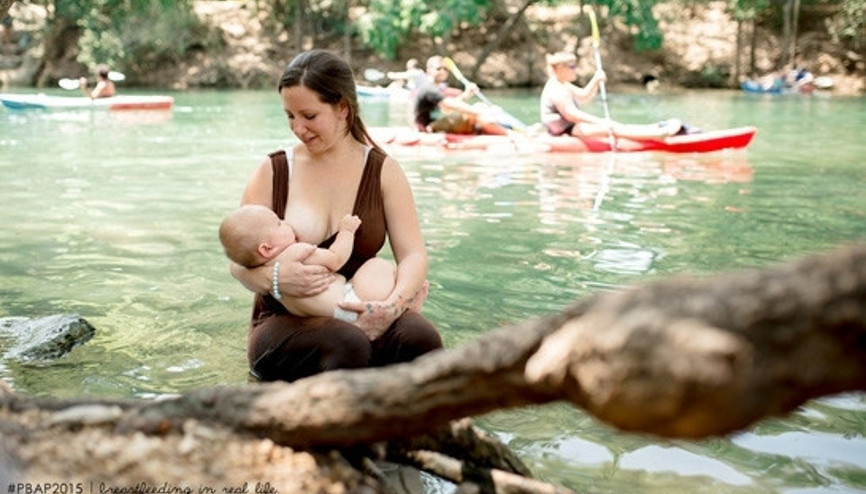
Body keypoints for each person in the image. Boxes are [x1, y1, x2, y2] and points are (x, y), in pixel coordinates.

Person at [229, 49, 442, 382]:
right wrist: (275, 280)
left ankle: (417, 431)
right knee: (348, 344)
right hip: (286, 319)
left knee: (422, 340)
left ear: (343, 108)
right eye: (289, 116)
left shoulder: (383, 171)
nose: (298, 128)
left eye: (309, 116)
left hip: (363, 303)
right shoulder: (273, 170)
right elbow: (238, 263)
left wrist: (392, 308)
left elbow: (413, 254)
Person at [220, 204, 396, 321]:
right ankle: (403, 302)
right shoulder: (295, 253)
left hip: (323, 316)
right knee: (379, 265)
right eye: (279, 223)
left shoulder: (264, 268)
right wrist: (347, 231)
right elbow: (335, 259)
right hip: (349, 304)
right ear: (266, 249)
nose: (286, 222)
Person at [540, 51, 682, 140]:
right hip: (566, 130)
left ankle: (654, 128)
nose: (575, 70)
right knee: (610, 127)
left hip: (572, 127)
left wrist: (596, 80)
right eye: (572, 67)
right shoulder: (556, 89)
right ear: (559, 69)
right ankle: (658, 136)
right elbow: (572, 115)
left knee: (613, 124)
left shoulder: (563, 84)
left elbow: (584, 96)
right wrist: (600, 121)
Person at [412, 55, 510, 135]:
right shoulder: (428, 89)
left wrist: (467, 94)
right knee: (474, 113)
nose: (443, 71)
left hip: (438, 123)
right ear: (428, 70)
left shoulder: (436, 89)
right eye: (439, 68)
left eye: (445, 69)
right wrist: (482, 111)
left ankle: (501, 130)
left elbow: (445, 110)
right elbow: (449, 105)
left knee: (479, 107)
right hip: (429, 128)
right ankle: (509, 135)